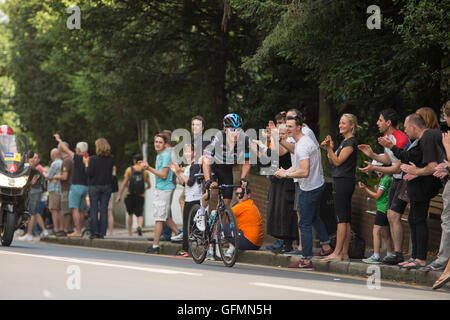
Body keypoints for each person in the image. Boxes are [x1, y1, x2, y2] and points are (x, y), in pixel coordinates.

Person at [379, 113, 445, 269]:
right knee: (413, 220)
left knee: (419, 220)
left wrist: (415, 171)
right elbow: (419, 161)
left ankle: (420, 258)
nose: (405, 131)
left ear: (414, 126)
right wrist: (415, 170)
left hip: (425, 186)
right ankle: (415, 256)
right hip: (418, 185)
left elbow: (432, 166)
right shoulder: (421, 140)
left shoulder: (427, 137)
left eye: (406, 127)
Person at [275, 115, 332, 269]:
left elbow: (304, 171)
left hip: (310, 188)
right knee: (313, 217)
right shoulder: (302, 141)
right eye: (286, 126)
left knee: (304, 223)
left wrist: (286, 175)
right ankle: (326, 246)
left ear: (299, 127)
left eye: (291, 127)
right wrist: (285, 171)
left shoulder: (303, 145)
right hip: (314, 185)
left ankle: (306, 260)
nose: (287, 129)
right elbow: (297, 166)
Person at [358, 108, 410, 265]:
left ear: (388, 122)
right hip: (395, 179)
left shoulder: (400, 139)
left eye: (380, 120)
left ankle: (398, 253)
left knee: (393, 216)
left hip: (403, 179)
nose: (377, 123)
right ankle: (395, 253)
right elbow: (388, 159)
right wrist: (372, 155)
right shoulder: (386, 137)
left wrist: (374, 168)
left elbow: (396, 167)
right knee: (390, 215)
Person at [320, 113, 360, 262]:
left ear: (352, 126)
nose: (340, 125)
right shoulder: (345, 141)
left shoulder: (351, 142)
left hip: (344, 182)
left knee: (341, 219)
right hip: (342, 181)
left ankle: (336, 252)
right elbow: (332, 160)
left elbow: (337, 161)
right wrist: (329, 148)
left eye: (344, 123)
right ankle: (344, 253)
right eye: (340, 123)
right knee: (346, 220)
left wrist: (330, 149)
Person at [141, 133, 181, 254]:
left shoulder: (165, 156)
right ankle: (180, 234)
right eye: (156, 142)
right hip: (161, 188)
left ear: (165, 144)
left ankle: (155, 246)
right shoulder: (159, 156)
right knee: (166, 216)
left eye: (160, 142)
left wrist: (148, 168)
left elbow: (163, 175)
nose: (157, 144)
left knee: (159, 218)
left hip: (165, 189)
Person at [202, 113, 250, 209]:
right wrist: (208, 180)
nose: (235, 132)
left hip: (226, 170)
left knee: (226, 204)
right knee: (213, 191)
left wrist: (243, 178)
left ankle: (218, 223)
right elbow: (206, 159)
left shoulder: (244, 139)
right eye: (232, 129)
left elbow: (247, 162)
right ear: (225, 128)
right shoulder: (219, 137)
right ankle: (201, 212)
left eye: (238, 129)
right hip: (214, 166)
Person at [265, 123, 299, 254]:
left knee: (287, 213)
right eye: (279, 133)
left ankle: (289, 243)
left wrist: (274, 135)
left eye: (283, 133)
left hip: (287, 181)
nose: (281, 136)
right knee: (278, 213)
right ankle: (283, 241)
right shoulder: (280, 142)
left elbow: (280, 152)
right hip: (278, 181)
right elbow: (270, 155)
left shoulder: (290, 143)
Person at [424, 101, 450, 271]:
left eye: (445, 116)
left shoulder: (447, 137)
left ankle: (443, 259)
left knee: (447, 220)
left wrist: (447, 146)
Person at [358, 160, 394, 264]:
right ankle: (389, 254)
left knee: (376, 231)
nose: (376, 172)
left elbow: (377, 196)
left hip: (382, 208)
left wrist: (365, 188)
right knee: (385, 233)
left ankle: (376, 255)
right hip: (386, 208)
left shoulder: (385, 179)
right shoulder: (387, 178)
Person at [170, 144, 203, 257]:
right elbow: (182, 183)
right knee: (191, 225)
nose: (187, 154)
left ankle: (185, 249)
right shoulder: (190, 166)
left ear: (194, 152)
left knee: (187, 225)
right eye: (185, 152)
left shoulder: (195, 165)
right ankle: (189, 248)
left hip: (194, 199)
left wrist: (179, 172)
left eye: (189, 151)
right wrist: (176, 172)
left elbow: (189, 182)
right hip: (190, 198)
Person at [54, 134, 89, 237]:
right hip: (85, 186)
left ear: (78, 150)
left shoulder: (77, 157)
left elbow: (65, 149)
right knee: (82, 209)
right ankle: (80, 229)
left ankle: (77, 231)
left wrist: (59, 139)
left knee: (75, 209)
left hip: (76, 186)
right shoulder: (87, 157)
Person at [84, 138, 115, 239]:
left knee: (94, 209)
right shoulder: (111, 158)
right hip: (107, 186)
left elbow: (89, 173)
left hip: (94, 186)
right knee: (104, 210)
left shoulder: (93, 159)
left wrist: (86, 164)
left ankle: (94, 232)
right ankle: (102, 232)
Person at [223, 187, 264, 257]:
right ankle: (231, 247)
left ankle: (230, 250)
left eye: (241, 194)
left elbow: (225, 212)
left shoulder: (242, 205)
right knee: (234, 228)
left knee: (227, 228)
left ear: (249, 195)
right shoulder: (252, 205)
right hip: (257, 245)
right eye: (237, 194)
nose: (239, 196)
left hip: (248, 242)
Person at [116, 154, 151, 236]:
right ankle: (139, 226)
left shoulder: (129, 170)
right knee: (140, 214)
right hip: (140, 195)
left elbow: (124, 184)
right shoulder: (145, 171)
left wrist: (119, 196)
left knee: (130, 214)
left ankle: (130, 232)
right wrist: (144, 189)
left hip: (130, 194)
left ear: (134, 161)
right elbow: (149, 185)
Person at [18, 152, 49, 241]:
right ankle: (40, 231)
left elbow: (32, 181)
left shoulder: (35, 169)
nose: (32, 159)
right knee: (34, 213)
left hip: (34, 192)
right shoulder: (31, 168)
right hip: (35, 192)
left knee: (31, 213)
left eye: (34, 158)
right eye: (31, 157)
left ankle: (29, 234)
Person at [53, 141, 74, 234]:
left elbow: (65, 177)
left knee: (66, 210)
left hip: (66, 188)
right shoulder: (71, 159)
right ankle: (70, 229)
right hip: (72, 187)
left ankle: (65, 230)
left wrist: (56, 176)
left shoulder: (66, 161)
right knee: (70, 209)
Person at [44, 148, 64, 236]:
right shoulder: (63, 162)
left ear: (53, 155)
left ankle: (56, 228)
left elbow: (48, 176)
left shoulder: (54, 163)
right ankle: (61, 228)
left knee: (54, 210)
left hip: (54, 189)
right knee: (60, 210)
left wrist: (43, 173)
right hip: (61, 189)